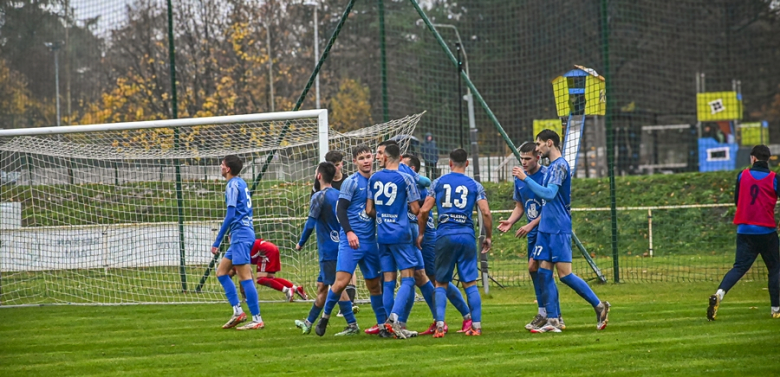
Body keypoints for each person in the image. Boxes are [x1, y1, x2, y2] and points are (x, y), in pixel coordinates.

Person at [513, 130, 610, 333]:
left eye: (539, 144)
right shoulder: (550, 167)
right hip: (545, 227)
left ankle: (599, 306)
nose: (537, 148)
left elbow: (549, 194)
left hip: (558, 227)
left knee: (565, 275)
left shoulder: (559, 166)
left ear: (549, 143)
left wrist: (525, 179)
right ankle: (553, 320)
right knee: (543, 272)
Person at [417, 148, 493, 338]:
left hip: (444, 234)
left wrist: (421, 233)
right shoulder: (475, 185)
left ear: (450, 163)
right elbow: (485, 212)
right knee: (470, 283)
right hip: (466, 235)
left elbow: (424, 211)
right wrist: (488, 236)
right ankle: (476, 327)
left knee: (441, 282)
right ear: (467, 163)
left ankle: (440, 326)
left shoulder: (438, 183)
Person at [314, 145, 386, 337]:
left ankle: (382, 325)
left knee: (374, 285)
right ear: (355, 162)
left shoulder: (377, 181)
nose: (366, 161)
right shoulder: (351, 182)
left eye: (368, 157)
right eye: (361, 158)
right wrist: (349, 232)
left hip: (369, 242)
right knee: (340, 283)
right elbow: (340, 209)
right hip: (351, 241)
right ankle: (325, 318)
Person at [372, 141, 437, 336]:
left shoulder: (376, 177)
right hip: (402, 232)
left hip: (385, 233)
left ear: (386, 157)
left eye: (379, 153)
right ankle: (395, 320)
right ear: (399, 158)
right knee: (410, 277)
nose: (377, 157)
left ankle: (389, 324)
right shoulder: (404, 178)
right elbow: (417, 209)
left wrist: (384, 216)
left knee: (393, 279)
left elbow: (368, 209)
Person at [708, 145, 780, 320]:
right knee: (775, 268)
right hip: (766, 230)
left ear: (753, 158)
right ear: (768, 159)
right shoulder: (774, 178)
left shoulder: (742, 175)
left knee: (739, 267)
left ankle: (719, 293)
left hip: (745, 230)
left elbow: (737, 200)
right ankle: (776, 309)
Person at [403, 153, 473, 335]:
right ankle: (415, 321)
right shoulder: (403, 184)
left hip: (427, 236)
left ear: (412, 169)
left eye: (403, 165)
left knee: (437, 279)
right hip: (411, 236)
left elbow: (424, 205)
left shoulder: (419, 186)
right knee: (419, 277)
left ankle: (466, 316)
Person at [497, 142, 563, 331]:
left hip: (547, 229)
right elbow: (520, 206)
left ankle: (548, 314)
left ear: (538, 157)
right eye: (522, 158)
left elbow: (550, 208)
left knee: (540, 269)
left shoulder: (547, 175)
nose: (524, 162)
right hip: (533, 232)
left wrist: (531, 224)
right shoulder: (519, 178)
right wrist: (511, 221)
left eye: (528, 158)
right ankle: (551, 314)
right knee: (536, 270)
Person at [294, 162, 349, 334]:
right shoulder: (339, 195)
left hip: (328, 249)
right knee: (322, 286)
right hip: (340, 245)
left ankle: (352, 324)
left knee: (336, 286)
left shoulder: (318, 196)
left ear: (319, 176)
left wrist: (301, 242)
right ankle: (308, 322)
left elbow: (310, 223)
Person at [212, 155, 264, 330]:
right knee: (221, 272)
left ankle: (257, 319)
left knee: (245, 277)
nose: (220, 166)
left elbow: (231, 214)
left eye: (222, 164)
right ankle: (238, 312)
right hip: (240, 234)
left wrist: (218, 240)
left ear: (227, 169)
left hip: (241, 235)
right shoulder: (241, 183)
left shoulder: (232, 185)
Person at [311, 150, 358, 317]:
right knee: (328, 278)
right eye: (333, 165)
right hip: (329, 234)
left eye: (338, 165)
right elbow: (315, 207)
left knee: (347, 267)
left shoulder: (348, 182)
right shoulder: (321, 186)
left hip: (345, 230)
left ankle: (349, 304)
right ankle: (344, 307)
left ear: (342, 164)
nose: (336, 168)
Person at [228, 238, 308, 302]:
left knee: (260, 279)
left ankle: (287, 290)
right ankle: (296, 289)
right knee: (270, 278)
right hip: (272, 248)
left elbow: (245, 277)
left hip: (265, 250)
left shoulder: (238, 256)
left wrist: (245, 296)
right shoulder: (242, 246)